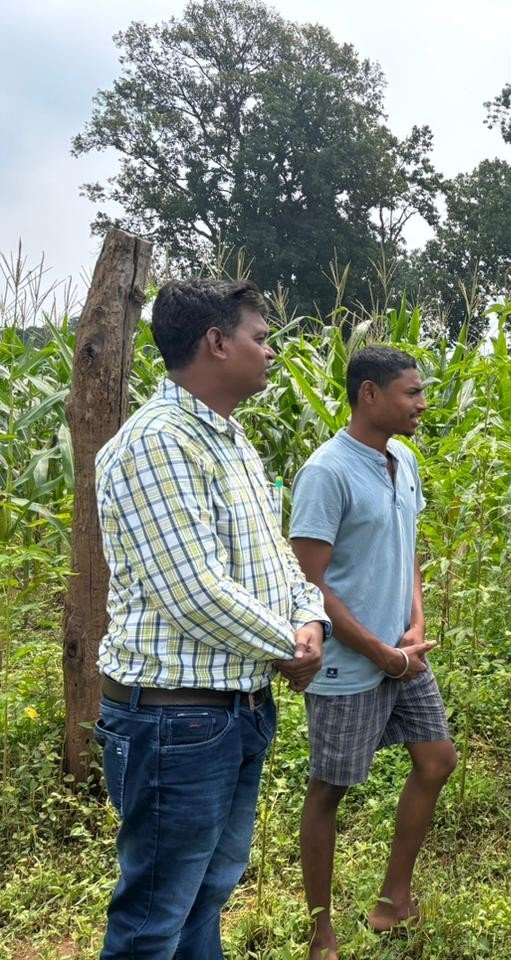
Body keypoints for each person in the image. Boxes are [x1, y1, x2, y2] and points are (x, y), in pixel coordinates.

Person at [94, 279, 330, 959]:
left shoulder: (230, 441)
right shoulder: (158, 444)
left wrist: (309, 616)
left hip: (232, 712)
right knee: (156, 913)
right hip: (177, 720)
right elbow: (193, 590)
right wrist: (292, 644)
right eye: (261, 338)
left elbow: (275, 558)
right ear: (216, 343)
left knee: (207, 893)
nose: (271, 353)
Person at [290, 346, 456, 959]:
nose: (421, 403)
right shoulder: (326, 473)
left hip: (403, 653)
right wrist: (377, 651)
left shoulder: (403, 459)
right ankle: (320, 931)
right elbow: (308, 584)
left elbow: (409, 548)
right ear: (370, 394)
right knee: (329, 790)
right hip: (348, 662)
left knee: (437, 760)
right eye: (411, 393)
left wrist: (414, 626)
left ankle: (392, 900)